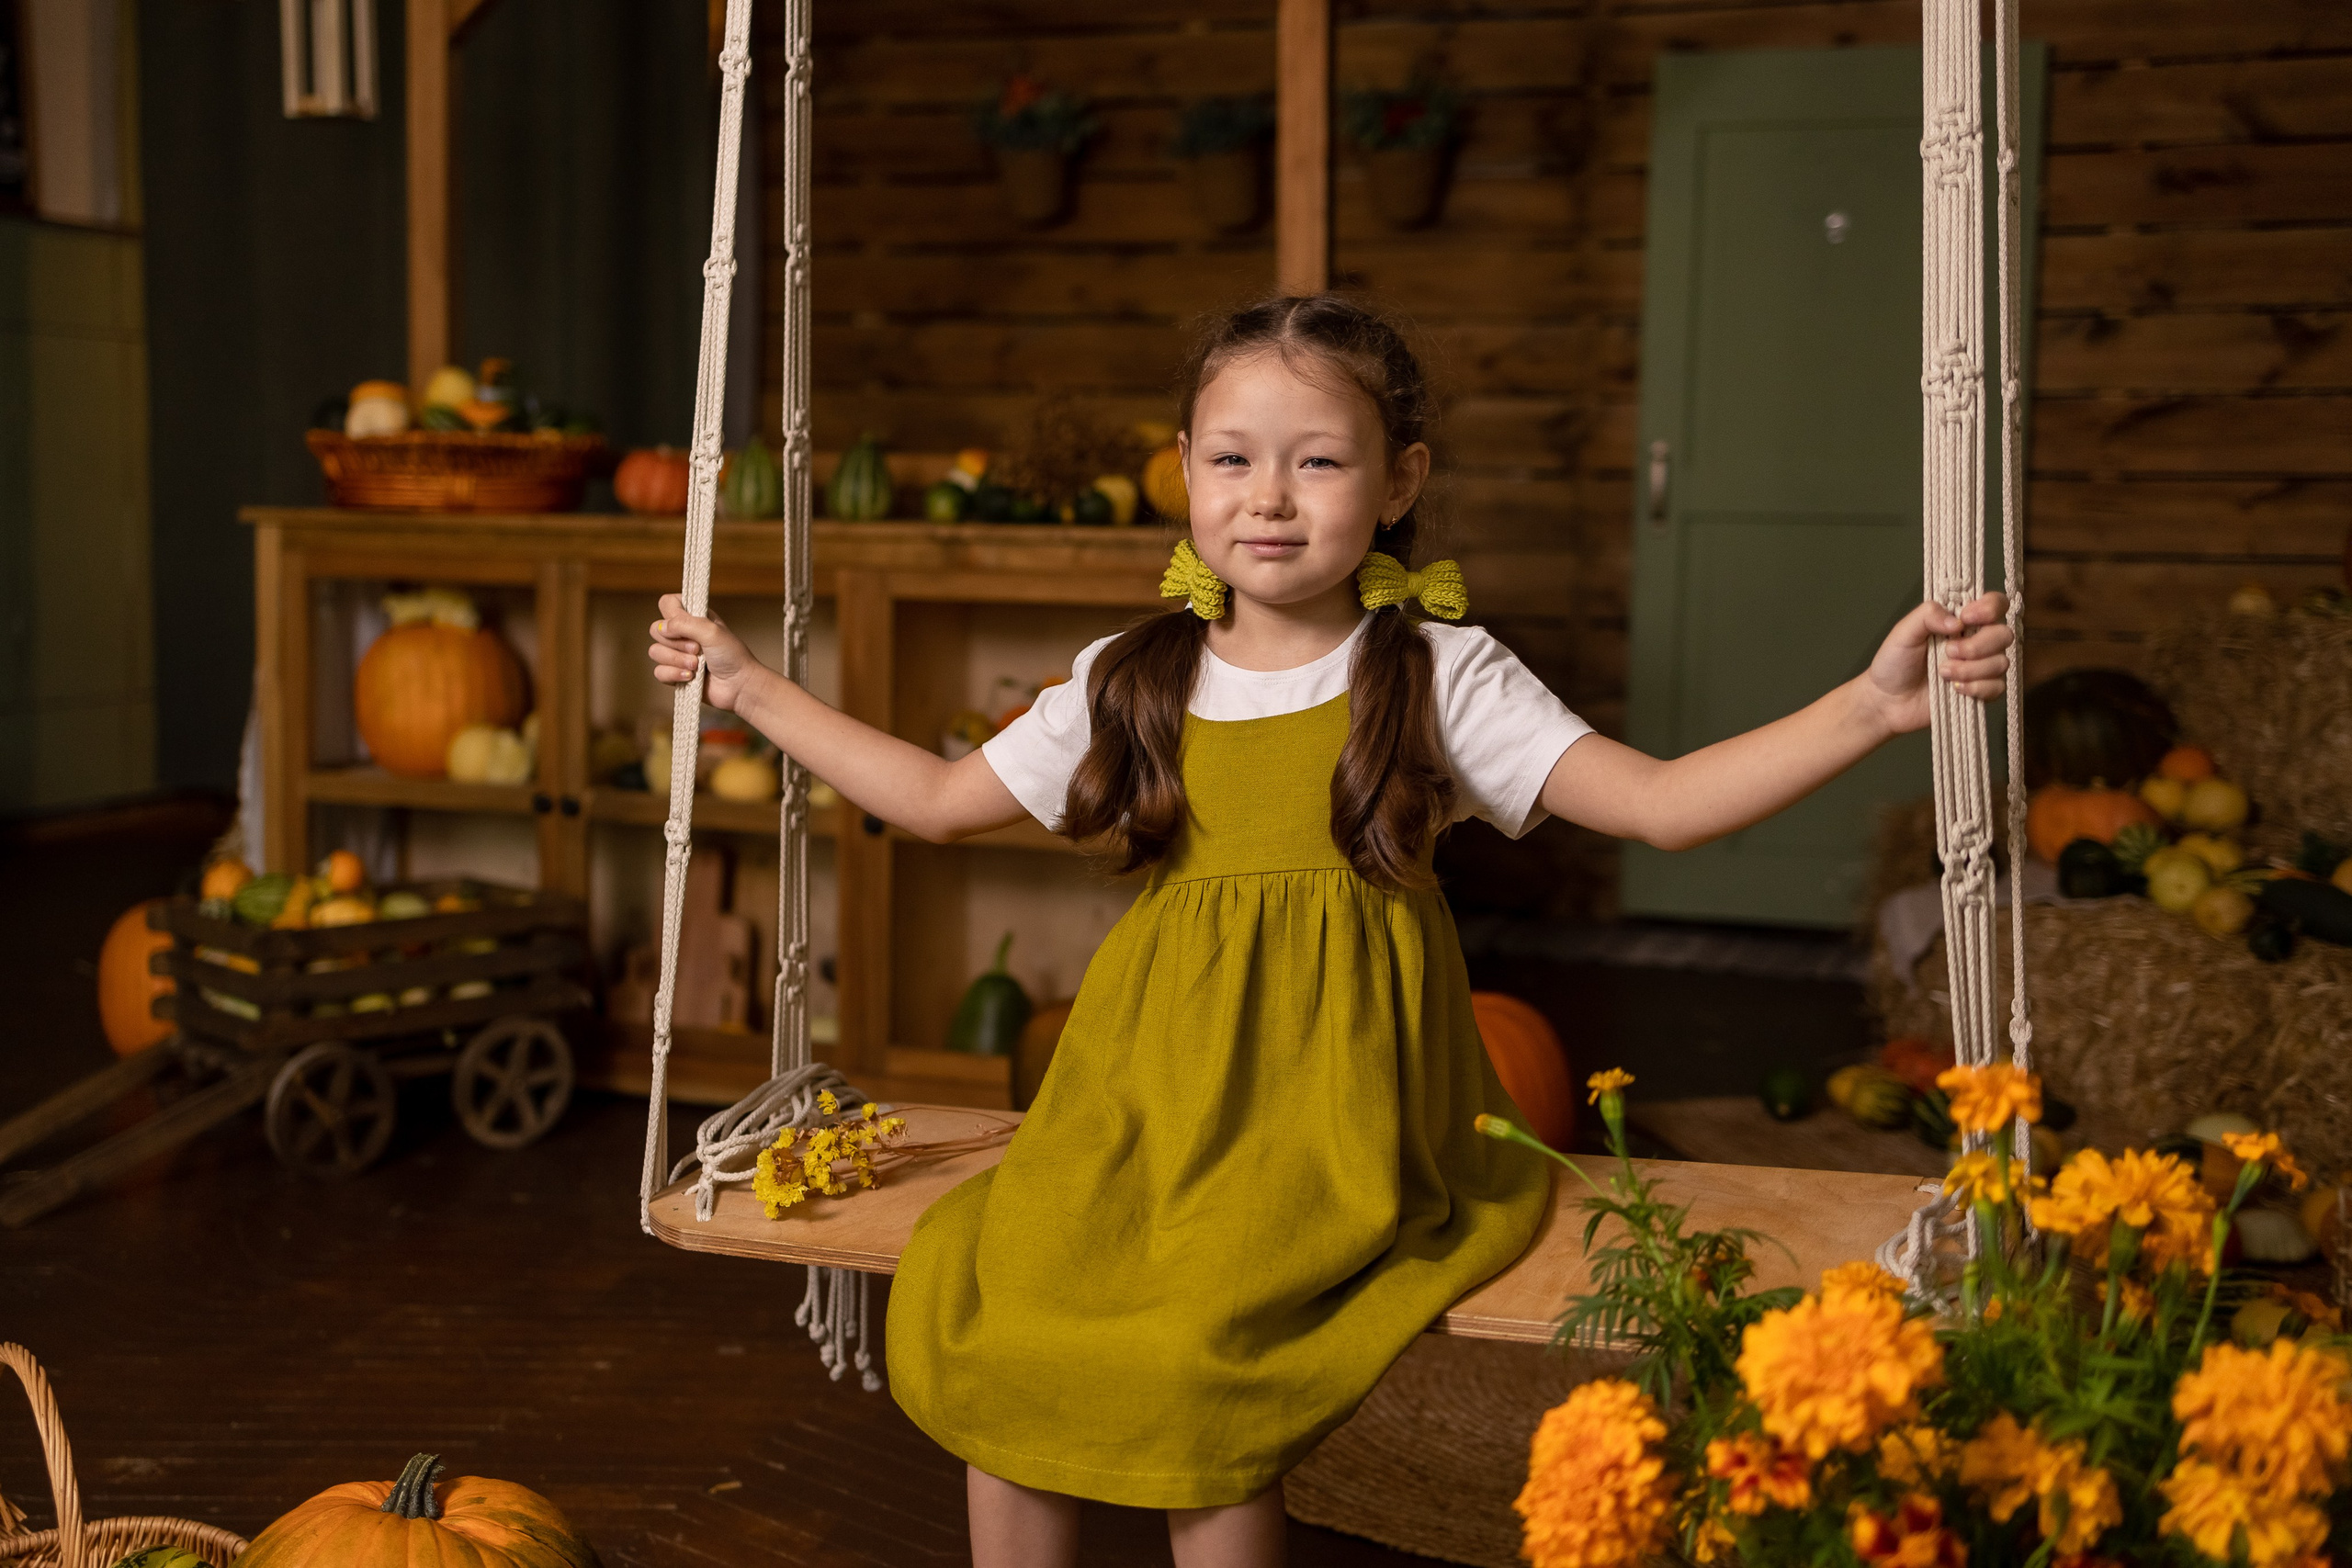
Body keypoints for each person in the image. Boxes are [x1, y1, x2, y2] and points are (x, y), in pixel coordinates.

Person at [648, 293, 2012, 1568]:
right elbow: (940, 803)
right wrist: (753, 690)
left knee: (1207, 1352)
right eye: (1232, 459)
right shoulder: (1136, 675)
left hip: (1340, 1111)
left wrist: (1870, 707)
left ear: (1399, 482)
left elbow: (1662, 807)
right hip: (1144, 1094)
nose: (1271, 498)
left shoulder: (1435, 672)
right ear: (1185, 472)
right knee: (1001, 1304)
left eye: (1319, 462)